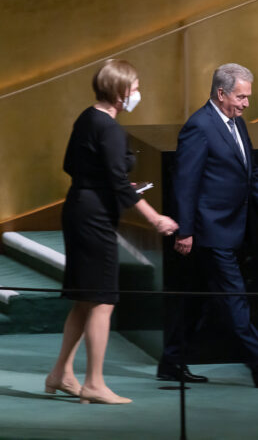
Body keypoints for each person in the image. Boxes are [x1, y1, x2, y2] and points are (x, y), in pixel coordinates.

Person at [156, 63, 258, 388]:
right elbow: (185, 183)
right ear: (221, 93)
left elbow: (252, 172)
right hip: (210, 232)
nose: (246, 103)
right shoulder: (199, 127)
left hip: (230, 227)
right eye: (241, 96)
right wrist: (185, 231)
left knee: (196, 298)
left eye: (247, 97)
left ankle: (171, 361)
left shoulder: (237, 123)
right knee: (233, 297)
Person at [45, 59, 179, 405]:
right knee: (103, 300)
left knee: (85, 299)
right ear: (120, 92)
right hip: (95, 218)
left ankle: (61, 373)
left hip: (78, 207)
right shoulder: (109, 128)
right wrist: (155, 218)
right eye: (134, 88)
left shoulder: (86, 118)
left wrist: (107, 182)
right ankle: (93, 382)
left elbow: (72, 166)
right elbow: (119, 184)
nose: (138, 94)